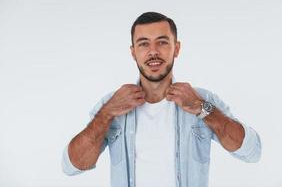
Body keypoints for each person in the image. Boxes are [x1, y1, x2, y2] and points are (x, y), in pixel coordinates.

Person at [62, 12, 262, 187]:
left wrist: (203, 108)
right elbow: (72, 166)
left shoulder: (202, 99)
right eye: (143, 44)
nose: (153, 51)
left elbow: (252, 152)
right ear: (133, 52)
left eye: (162, 42)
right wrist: (106, 114)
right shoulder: (112, 104)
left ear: (176, 48)